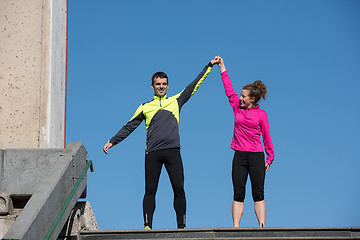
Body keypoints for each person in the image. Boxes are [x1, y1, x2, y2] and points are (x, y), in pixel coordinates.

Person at [103, 57, 220, 229]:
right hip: (153, 153)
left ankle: (181, 226)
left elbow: (195, 84)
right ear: (152, 86)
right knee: (150, 190)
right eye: (158, 84)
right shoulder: (145, 106)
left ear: (168, 85)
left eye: (164, 84)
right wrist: (112, 141)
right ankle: (147, 226)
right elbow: (129, 126)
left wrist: (209, 66)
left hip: (173, 151)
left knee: (179, 188)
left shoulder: (176, 100)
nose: (161, 87)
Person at [215, 57, 274, 228]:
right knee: (238, 193)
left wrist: (270, 157)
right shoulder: (236, 106)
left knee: (258, 193)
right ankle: (235, 227)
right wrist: (222, 66)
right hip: (239, 155)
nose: (240, 98)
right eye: (240, 95)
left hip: (256, 156)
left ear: (253, 99)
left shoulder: (261, 115)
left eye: (243, 96)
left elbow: (267, 137)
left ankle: (262, 226)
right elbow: (228, 89)